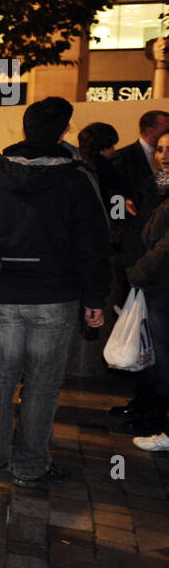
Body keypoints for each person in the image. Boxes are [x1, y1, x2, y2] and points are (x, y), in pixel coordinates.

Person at [0, 97, 109, 487]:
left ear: (24, 129)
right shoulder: (77, 179)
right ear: (63, 131)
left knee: (0, 376)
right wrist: (95, 298)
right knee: (42, 384)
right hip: (55, 297)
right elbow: (94, 243)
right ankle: (29, 465)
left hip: (7, 294)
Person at [130, 157, 169, 452]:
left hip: (161, 284)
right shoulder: (157, 187)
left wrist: (139, 272)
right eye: (162, 148)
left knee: (163, 357)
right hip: (157, 283)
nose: (164, 155)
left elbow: (163, 245)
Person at [111, 110, 169, 205]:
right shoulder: (122, 157)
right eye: (167, 130)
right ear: (150, 131)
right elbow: (113, 192)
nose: (163, 155)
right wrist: (122, 210)